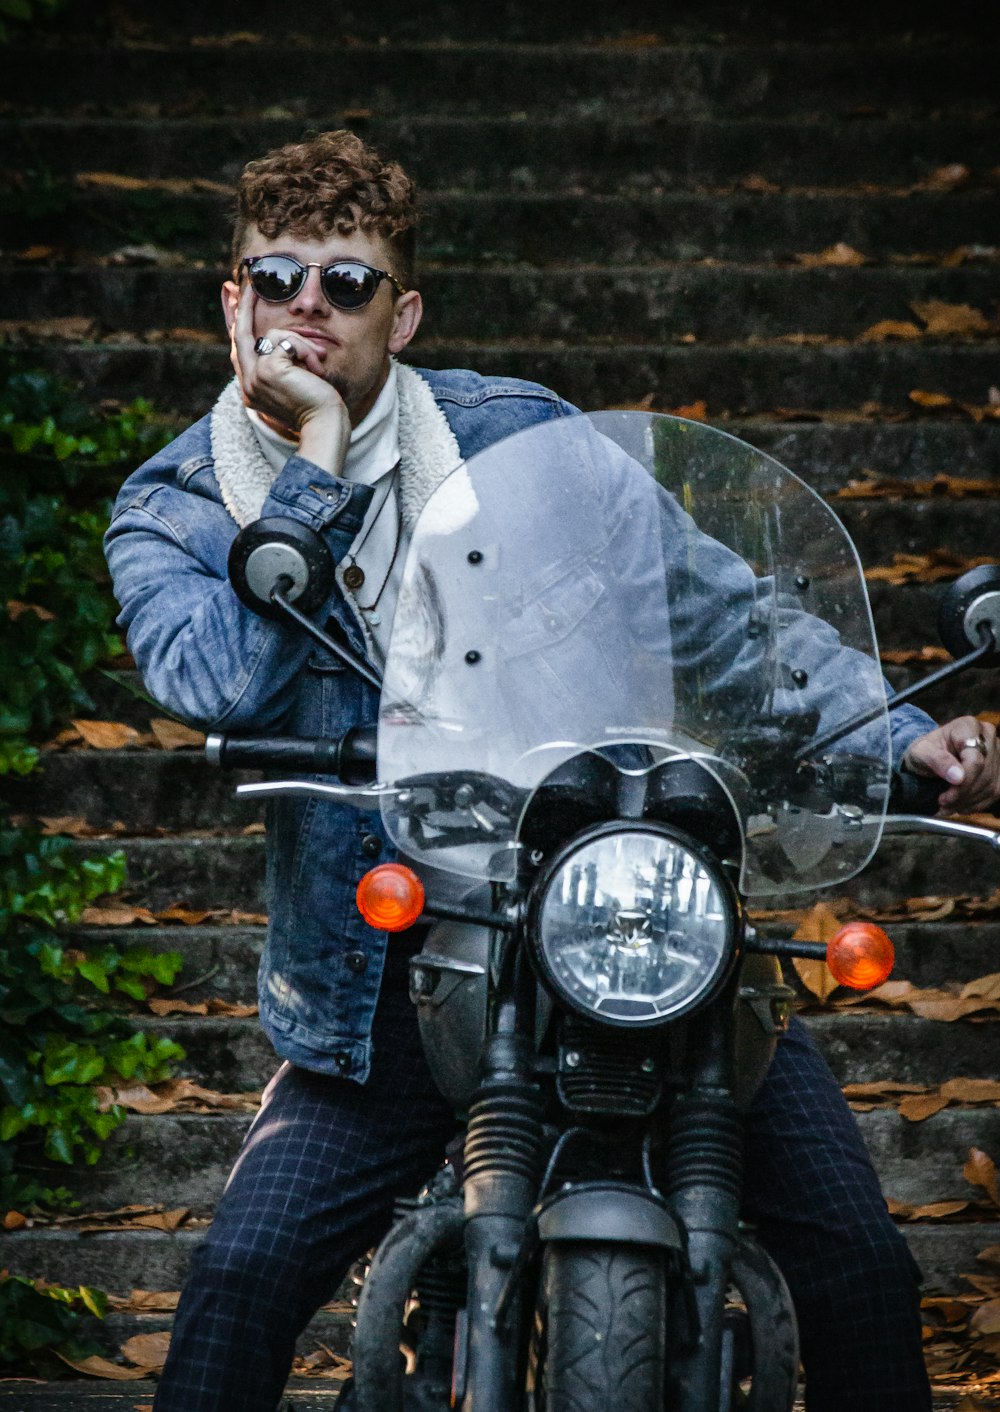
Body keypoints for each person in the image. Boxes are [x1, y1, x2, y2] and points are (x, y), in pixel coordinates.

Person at [104, 129, 1000, 1412]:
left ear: (399, 312)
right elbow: (211, 682)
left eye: (346, 283)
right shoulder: (178, 504)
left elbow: (723, 618)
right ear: (232, 299)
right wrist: (309, 469)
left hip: (629, 906)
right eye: (277, 275)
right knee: (239, 1276)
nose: (310, 306)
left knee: (859, 1265)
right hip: (394, 980)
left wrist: (895, 733)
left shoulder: (530, 441)